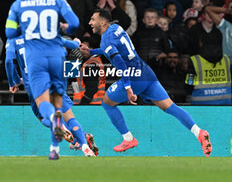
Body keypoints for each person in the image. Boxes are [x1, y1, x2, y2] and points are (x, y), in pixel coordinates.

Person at [81, 8, 212, 157]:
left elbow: (119, 62)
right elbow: (113, 49)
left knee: (107, 103)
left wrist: (128, 87)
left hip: (134, 78)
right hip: (147, 73)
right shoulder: (116, 28)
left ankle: (128, 138)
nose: (90, 22)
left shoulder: (106, 40)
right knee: (170, 106)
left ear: (103, 21)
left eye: (93, 19)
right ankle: (199, 132)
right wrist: (91, 52)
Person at [5, 0, 80, 160]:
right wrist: (63, 26)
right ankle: (54, 149)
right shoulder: (58, 0)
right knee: (57, 101)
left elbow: (10, 33)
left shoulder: (17, 5)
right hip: (56, 56)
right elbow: (75, 25)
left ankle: (54, 123)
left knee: (42, 103)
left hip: (35, 59)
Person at [5, 35, 97, 157]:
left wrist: (14, 81)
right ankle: (84, 146)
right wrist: (77, 42)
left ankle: (61, 128)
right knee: (69, 117)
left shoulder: (13, 40)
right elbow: (70, 44)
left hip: (35, 86)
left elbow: (9, 62)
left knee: (43, 118)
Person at [186, 32, 232, 105]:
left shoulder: (195, 60)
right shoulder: (226, 59)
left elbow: (189, 83)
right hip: (224, 102)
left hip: (200, 103)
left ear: (201, 43)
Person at [73, 36, 106, 104]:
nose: (82, 51)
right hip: (95, 103)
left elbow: (92, 89)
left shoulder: (92, 64)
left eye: (85, 48)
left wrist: (82, 104)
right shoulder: (94, 62)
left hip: (90, 104)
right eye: (81, 48)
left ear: (92, 49)